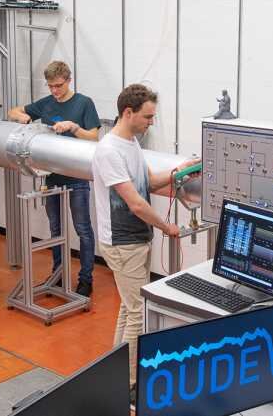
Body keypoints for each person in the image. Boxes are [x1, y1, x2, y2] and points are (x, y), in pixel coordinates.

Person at [91, 83, 199, 393]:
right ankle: (128, 384)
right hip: (123, 243)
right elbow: (136, 203)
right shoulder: (109, 150)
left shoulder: (131, 144)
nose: (151, 122)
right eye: (148, 117)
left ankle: (115, 371)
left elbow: (148, 182)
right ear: (128, 113)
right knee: (138, 312)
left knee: (129, 307)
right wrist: (168, 228)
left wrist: (179, 172)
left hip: (137, 239)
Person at [8, 61, 100, 297]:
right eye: (50, 87)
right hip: (52, 178)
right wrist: (23, 118)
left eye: (58, 86)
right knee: (56, 230)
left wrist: (74, 127)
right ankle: (58, 274)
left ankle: (86, 280)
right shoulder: (46, 104)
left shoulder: (84, 103)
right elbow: (13, 111)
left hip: (77, 178)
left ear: (69, 80)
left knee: (83, 230)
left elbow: (93, 138)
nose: (55, 91)